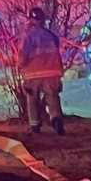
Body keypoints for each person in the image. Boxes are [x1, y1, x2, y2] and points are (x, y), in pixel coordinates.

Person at [18, 7, 64, 135]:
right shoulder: (52, 36)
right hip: (52, 72)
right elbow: (57, 52)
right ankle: (56, 119)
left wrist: (20, 67)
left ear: (30, 20)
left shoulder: (27, 37)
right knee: (52, 97)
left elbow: (23, 55)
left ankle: (35, 125)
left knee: (32, 98)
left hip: (33, 74)